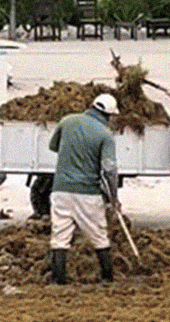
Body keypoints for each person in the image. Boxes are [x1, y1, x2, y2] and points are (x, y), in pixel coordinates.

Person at [45, 92, 121, 284]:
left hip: (60, 190)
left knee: (60, 236)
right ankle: (107, 278)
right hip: (88, 193)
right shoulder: (105, 135)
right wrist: (114, 198)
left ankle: (58, 280)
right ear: (109, 115)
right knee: (99, 236)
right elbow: (109, 169)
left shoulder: (67, 121)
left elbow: (53, 147)